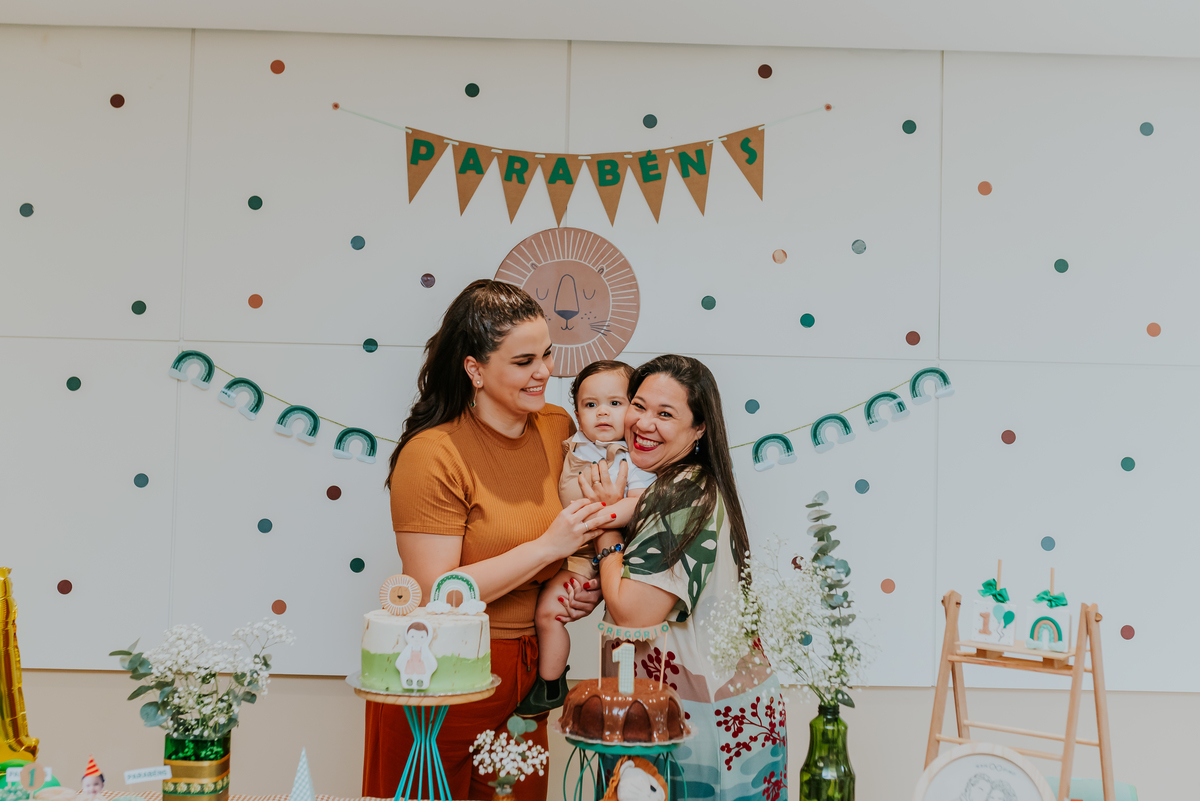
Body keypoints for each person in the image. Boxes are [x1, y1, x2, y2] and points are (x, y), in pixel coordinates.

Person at [363, 279, 610, 801]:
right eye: (524, 361)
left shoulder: (557, 427)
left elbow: (582, 529)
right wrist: (548, 548)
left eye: (547, 354)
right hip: (443, 672)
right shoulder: (433, 454)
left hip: (530, 672)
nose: (544, 372)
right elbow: (433, 594)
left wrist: (575, 587)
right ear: (475, 369)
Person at [573, 354, 788, 800]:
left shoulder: (679, 491)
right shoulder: (679, 483)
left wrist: (605, 530)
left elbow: (633, 613)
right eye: (638, 405)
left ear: (699, 429)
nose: (643, 423)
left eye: (665, 414)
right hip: (711, 709)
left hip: (696, 718)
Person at [523, 360, 656, 714]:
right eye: (590, 404)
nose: (602, 412)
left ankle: (549, 681)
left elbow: (639, 503)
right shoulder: (574, 444)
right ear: (577, 413)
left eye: (615, 403)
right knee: (543, 611)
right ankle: (548, 681)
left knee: (551, 611)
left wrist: (601, 516)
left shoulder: (633, 457)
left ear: (634, 409)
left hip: (600, 553)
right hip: (564, 545)